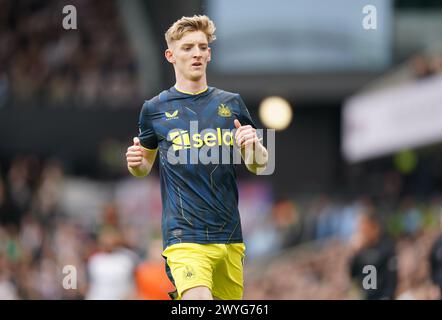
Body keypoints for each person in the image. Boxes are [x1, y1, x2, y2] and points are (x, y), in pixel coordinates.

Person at [125, 15, 268, 300]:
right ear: (170, 55)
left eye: (202, 47)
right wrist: (136, 162)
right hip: (184, 236)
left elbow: (259, 164)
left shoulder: (232, 104)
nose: (196, 53)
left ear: (209, 53)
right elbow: (145, 167)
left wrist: (253, 145)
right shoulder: (154, 109)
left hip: (229, 237)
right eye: (188, 47)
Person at [348, 207, 398, 300]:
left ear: (374, 226)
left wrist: (386, 296)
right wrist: (353, 254)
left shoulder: (386, 247)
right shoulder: (361, 250)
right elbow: (353, 276)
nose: (362, 230)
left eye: (364, 226)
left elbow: (391, 280)